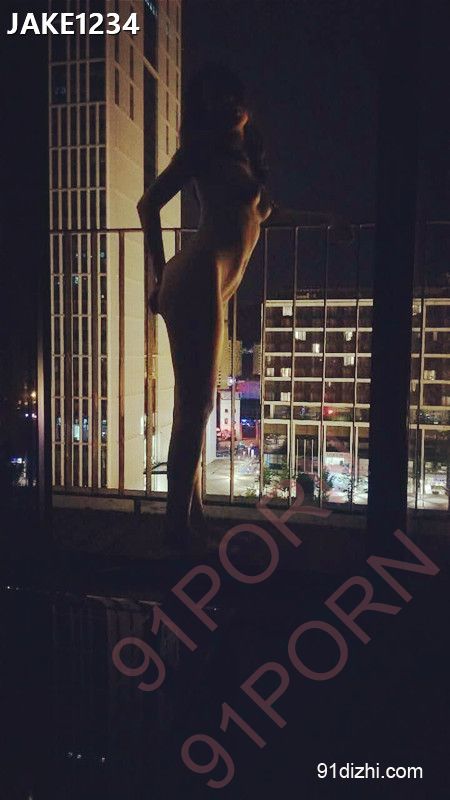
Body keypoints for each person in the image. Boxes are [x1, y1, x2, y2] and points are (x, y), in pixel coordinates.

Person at [138, 63, 348, 553]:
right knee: (196, 407)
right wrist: (160, 275)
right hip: (196, 276)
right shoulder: (201, 151)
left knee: (194, 407)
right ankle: (176, 532)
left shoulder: (246, 162)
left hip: (210, 284)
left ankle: (191, 523)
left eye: (233, 95)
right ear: (206, 109)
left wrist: (327, 219)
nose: (229, 104)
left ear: (245, 104)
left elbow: (265, 216)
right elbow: (148, 205)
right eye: (216, 98)